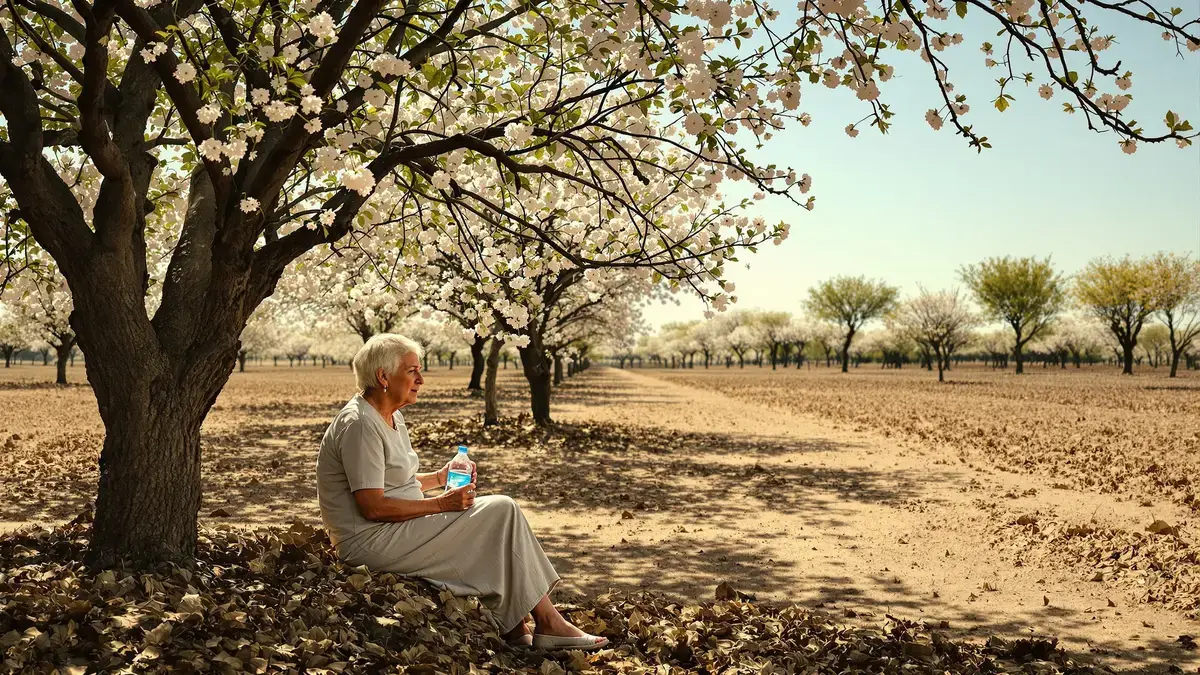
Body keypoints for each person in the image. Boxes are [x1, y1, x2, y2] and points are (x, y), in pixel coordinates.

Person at [315, 333, 608, 651]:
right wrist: (442, 504)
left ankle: (516, 625)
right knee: (500, 509)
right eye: (412, 371)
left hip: (391, 527)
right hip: (369, 539)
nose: (421, 380)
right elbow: (373, 506)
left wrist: (440, 478)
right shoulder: (359, 425)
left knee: (495, 518)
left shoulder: (391, 416)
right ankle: (549, 623)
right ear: (384, 377)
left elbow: (396, 482)